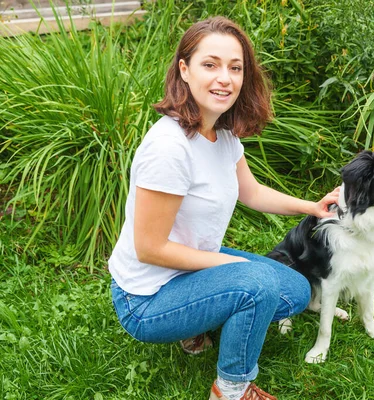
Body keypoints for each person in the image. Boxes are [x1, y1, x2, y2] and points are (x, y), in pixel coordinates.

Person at [107, 16, 339, 400]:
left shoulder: (221, 134)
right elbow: (150, 248)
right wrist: (235, 268)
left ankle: (201, 318)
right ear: (184, 69)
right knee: (258, 284)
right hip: (146, 298)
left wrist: (312, 207)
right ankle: (231, 389)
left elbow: (251, 192)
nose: (225, 78)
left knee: (295, 291)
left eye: (235, 68)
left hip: (188, 269)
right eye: (210, 65)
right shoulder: (169, 148)